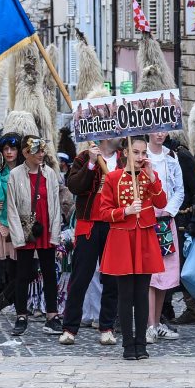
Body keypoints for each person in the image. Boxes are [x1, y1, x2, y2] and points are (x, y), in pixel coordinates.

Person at [98, 136, 168, 360]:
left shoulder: (149, 176)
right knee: (125, 295)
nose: (140, 157)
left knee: (142, 294)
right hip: (122, 239)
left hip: (144, 237)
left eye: (143, 153)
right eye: (136, 153)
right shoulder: (113, 177)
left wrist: (151, 176)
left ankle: (142, 345)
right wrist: (125, 212)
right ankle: (128, 345)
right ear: (126, 153)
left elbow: (162, 202)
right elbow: (103, 212)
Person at [57, 137, 121, 345]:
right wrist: (91, 164)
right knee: (80, 277)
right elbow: (74, 186)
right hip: (89, 224)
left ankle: (107, 327)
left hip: (113, 224)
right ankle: (69, 328)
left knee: (111, 278)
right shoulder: (83, 158)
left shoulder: (123, 159)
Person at [6, 135, 63, 336]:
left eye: (42, 150)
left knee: (49, 274)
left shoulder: (50, 174)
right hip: (26, 230)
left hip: (45, 229)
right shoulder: (15, 175)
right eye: (37, 151)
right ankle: (21, 315)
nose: (41, 154)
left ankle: (52, 315)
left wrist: (55, 233)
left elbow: (55, 206)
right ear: (25, 153)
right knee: (23, 274)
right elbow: (11, 207)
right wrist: (17, 235)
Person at [162, 133, 195, 326]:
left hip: (183, 218)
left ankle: (192, 309)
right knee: (167, 264)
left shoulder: (182, 155)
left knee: (181, 266)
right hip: (166, 217)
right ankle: (166, 308)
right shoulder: (152, 154)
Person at [144, 132, 185, 343]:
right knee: (150, 275)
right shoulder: (143, 155)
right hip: (147, 220)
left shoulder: (172, 157)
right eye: (156, 130)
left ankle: (157, 322)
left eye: (163, 130)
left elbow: (179, 189)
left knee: (165, 273)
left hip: (166, 220)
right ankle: (149, 324)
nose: (160, 134)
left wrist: (169, 210)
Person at [0, 133, 23, 328]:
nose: (9, 152)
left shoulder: (27, 169)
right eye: (6, 149)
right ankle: (19, 314)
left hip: (27, 227)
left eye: (13, 148)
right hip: (8, 229)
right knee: (16, 272)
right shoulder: (0, 174)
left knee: (27, 272)